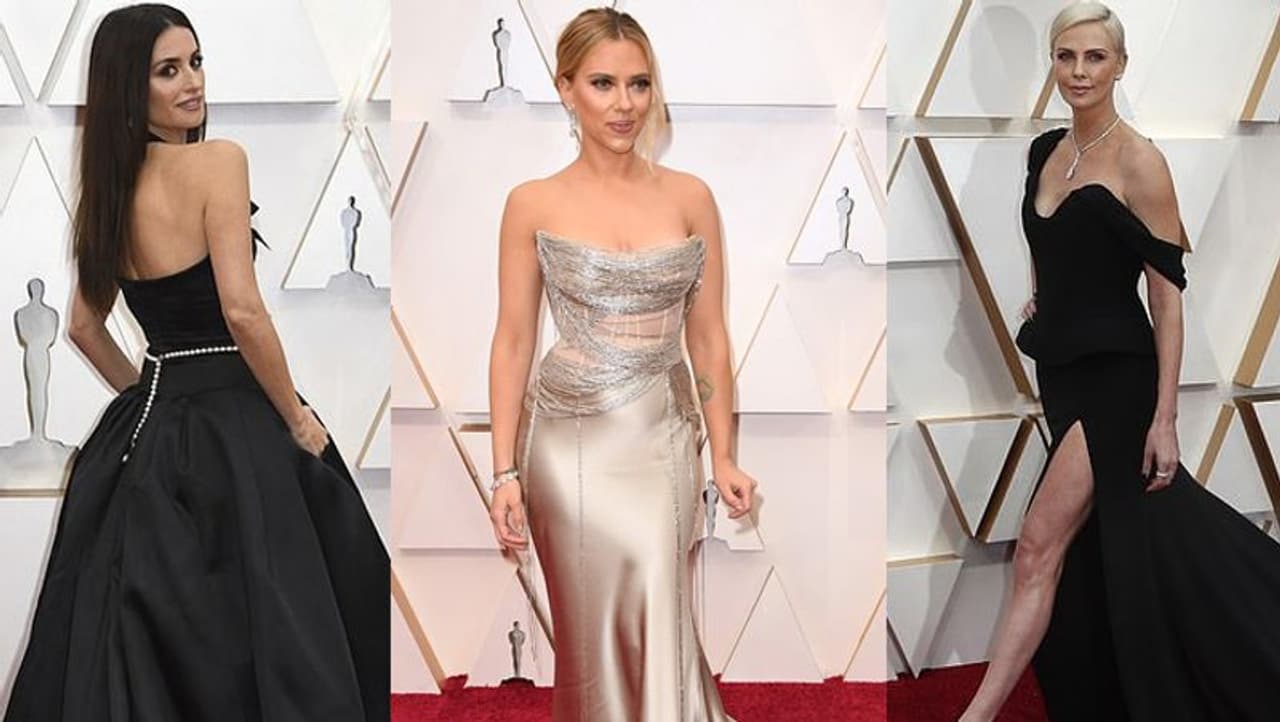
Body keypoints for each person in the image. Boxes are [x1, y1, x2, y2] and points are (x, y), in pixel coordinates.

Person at [3, 5, 388, 720]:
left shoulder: (109, 189)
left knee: (161, 633)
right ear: (130, 87)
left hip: (151, 431)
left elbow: (84, 327)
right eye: (168, 70)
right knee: (287, 617)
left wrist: (149, 398)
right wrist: (295, 417)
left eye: (196, 62)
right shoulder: (219, 161)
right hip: (239, 421)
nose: (192, 83)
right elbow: (242, 312)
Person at [959, 4, 1280, 721]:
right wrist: (1044, 296)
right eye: (1066, 56)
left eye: (1095, 57)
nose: (1079, 72)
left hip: (1117, 380)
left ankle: (975, 714)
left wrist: (1164, 419)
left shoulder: (1141, 162)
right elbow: (1050, 240)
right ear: (1053, 61)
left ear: (1121, 65)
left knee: (1038, 546)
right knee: (1138, 539)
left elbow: (1167, 299)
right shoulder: (1045, 152)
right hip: (1061, 371)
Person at [486, 7, 756, 721]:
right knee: (591, 629)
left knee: (660, 601)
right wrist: (504, 471)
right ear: (566, 88)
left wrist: (724, 455)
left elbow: (709, 338)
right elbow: (513, 340)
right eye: (603, 83)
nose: (625, 104)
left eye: (638, 84)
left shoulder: (691, 197)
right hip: (567, 444)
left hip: (662, 435)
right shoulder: (531, 204)